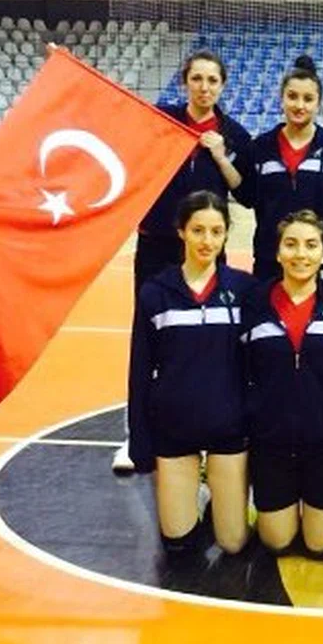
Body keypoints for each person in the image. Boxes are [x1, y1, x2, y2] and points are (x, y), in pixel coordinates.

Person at [114, 50, 253, 475]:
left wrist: (220, 155)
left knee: (211, 341)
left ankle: (214, 429)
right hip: (158, 247)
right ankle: (136, 433)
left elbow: (246, 193)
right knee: (149, 343)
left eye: (212, 80)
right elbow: (122, 142)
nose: (204, 87)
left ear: (222, 86)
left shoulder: (234, 134)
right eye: (197, 79)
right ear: (184, 82)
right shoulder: (162, 122)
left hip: (207, 248)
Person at [127, 191, 254, 558]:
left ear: (227, 234)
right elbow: (139, 371)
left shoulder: (244, 291)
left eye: (216, 231)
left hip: (229, 428)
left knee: (232, 544)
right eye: (198, 230)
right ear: (181, 231)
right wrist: (140, 442)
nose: (207, 241)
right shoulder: (156, 293)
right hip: (174, 429)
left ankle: (223, 499)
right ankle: (192, 497)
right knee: (179, 547)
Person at [240, 210, 323, 559]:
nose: (301, 254)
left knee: (320, 546)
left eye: (311, 245)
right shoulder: (254, 304)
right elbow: (240, 370)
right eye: (291, 245)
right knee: (277, 543)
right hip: (272, 444)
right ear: (277, 253)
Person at [240, 56, 323, 288]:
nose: (300, 105)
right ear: (281, 98)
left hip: (322, 263)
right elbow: (246, 196)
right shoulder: (259, 148)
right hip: (270, 262)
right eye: (292, 96)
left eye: (308, 99)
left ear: (319, 103)